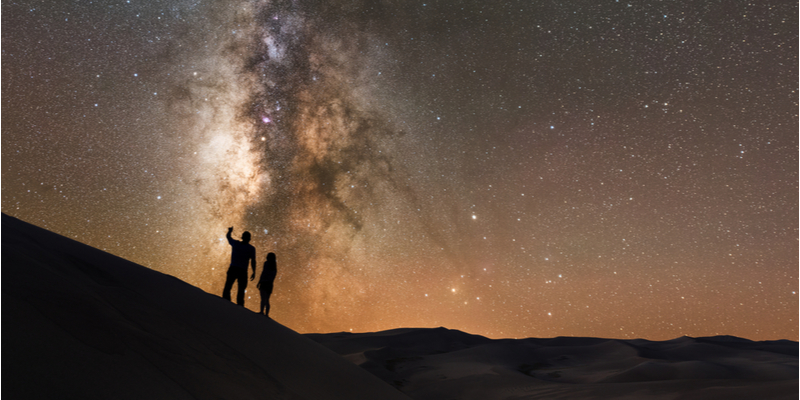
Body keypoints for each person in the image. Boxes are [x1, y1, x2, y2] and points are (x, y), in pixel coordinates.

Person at [222, 227, 256, 306]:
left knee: (228, 287)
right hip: (242, 271)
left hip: (234, 268)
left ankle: (225, 304)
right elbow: (253, 260)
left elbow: (228, 237)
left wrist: (229, 231)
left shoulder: (236, 244)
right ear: (249, 239)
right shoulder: (251, 248)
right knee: (240, 290)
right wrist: (254, 271)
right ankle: (238, 306)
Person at [257, 252, 278, 316]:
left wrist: (259, 281)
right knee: (267, 300)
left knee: (263, 299)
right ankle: (266, 314)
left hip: (264, 283)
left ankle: (261, 312)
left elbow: (263, 273)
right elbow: (273, 276)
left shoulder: (266, 263)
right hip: (270, 284)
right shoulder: (274, 266)